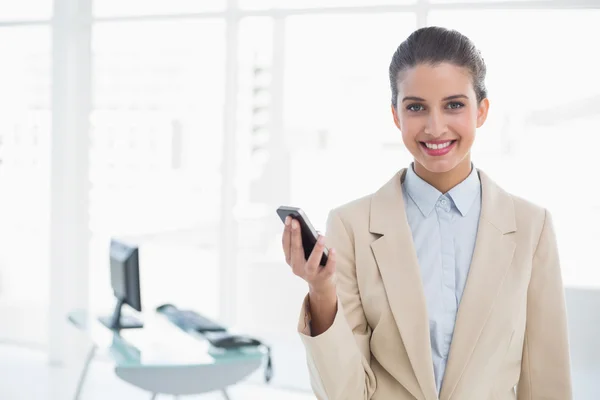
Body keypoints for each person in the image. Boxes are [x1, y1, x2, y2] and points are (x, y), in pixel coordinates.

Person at [280, 26, 572, 400]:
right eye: (416, 107)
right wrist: (321, 293)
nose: (435, 127)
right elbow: (346, 393)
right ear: (396, 115)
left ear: (481, 110)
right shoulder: (351, 226)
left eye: (454, 105)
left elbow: (546, 380)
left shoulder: (532, 227)